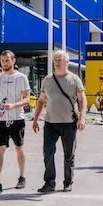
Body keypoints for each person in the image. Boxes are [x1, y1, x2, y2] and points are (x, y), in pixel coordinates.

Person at [32, 50, 87, 193]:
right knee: (48, 152)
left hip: (69, 123)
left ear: (67, 62)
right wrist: (35, 119)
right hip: (50, 123)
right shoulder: (47, 80)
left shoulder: (74, 79)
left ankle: (68, 182)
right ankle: (49, 183)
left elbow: (82, 100)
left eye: (59, 60)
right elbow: (41, 100)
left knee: (69, 154)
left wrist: (82, 117)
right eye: (55, 60)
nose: (56, 62)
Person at [0, 51, 31, 194]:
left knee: (19, 148)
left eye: (7, 60)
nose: (5, 63)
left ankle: (22, 177)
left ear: (13, 60)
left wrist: (14, 105)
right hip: (1, 120)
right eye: (2, 60)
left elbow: (27, 99)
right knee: (0, 149)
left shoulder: (21, 77)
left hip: (17, 119)